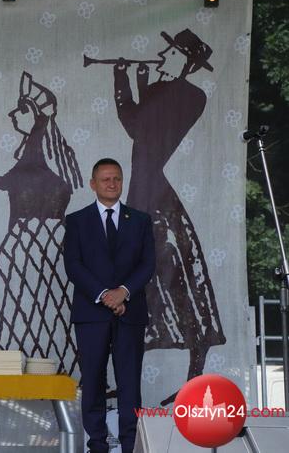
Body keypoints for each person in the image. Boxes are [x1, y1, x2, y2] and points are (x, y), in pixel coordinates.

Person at [112, 29, 225, 404]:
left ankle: (194, 377)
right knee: (141, 289)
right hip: (145, 194)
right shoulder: (164, 90)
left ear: (188, 62)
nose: (163, 55)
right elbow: (137, 125)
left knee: (179, 284)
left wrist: (137, 86)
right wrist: (130, 83)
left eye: (172, 52)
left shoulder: (191, 96)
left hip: (157, 198)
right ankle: (130, 381)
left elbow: (144, 129)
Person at [0, 71, 83, 374]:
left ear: (36, 114)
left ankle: (41, 368)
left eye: (21, 109)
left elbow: (17, 181)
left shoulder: (41, 150)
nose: (13, 115)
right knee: (35, 301)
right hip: (38, 235)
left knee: (26, 297)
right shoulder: (40, 149)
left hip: (35, 235)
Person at [63, 158, 155, 453]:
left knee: (129, 382)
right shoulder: (77, 221)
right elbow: (73, 265)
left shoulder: (140, 220)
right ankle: (97, 445)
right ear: (93, 184)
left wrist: (123, 293)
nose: (112, 184)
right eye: (105, 179)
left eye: (116, 178)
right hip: (91, 314)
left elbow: (147, 264)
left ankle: (130, 445)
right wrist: (105, 295)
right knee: (93, 381)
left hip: (130, 312)